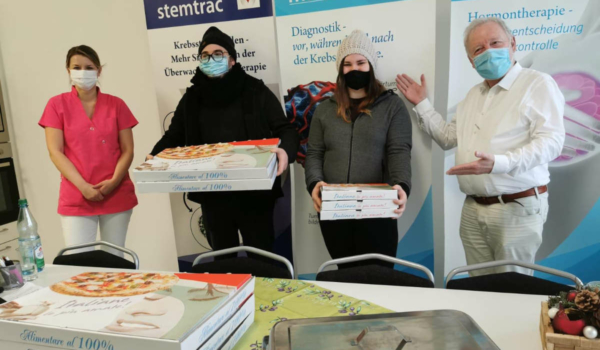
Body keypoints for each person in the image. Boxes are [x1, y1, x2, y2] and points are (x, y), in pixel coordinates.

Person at [396, 17, 565, 276]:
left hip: (516, 207)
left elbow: (551, 142)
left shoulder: (537, 84)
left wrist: (499, 163)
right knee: (479, 289)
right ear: (471, 61)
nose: (488, 51)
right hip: (473, 210)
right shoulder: (473, 95)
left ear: (512, 44)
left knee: (512, 290)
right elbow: (448, 137)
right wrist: (422, 104)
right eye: (478, 49)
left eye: (495, 42)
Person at [148, 27, 299, 257]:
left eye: (218, 53)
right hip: (214, 195)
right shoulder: (191, 98)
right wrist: (153, 156)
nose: (211, 59)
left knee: (262, 260)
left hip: (255, 195)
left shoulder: (256, 91)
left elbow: (286, 130)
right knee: (223, 262)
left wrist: (285, 152)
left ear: (231, 60)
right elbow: (173, 136)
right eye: (205, 55)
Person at [305, 30, 412, 269]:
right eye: (348, 64)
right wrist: (314, 183)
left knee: (378, 278)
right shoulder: (324, 110)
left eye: (361, 62)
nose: (355, 69)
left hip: (378, 210)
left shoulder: (392, 106)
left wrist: (402, 185)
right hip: (335, 211)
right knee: (345, 277)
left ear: (371, 65)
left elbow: (399, 151)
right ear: (340, 69)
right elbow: (314, 153)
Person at [40, 45, 138, 256]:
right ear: (68, 70)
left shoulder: (116, 105)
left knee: (115, 260)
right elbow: (55, 152)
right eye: (77, 67)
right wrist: (83, 187)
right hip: (76, 195)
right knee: (79, 262)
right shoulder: (56, 105)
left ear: (99, 70)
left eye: (89, 67)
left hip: (116, 193)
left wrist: (112, 182)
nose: (83, 72)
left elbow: (128, 150)